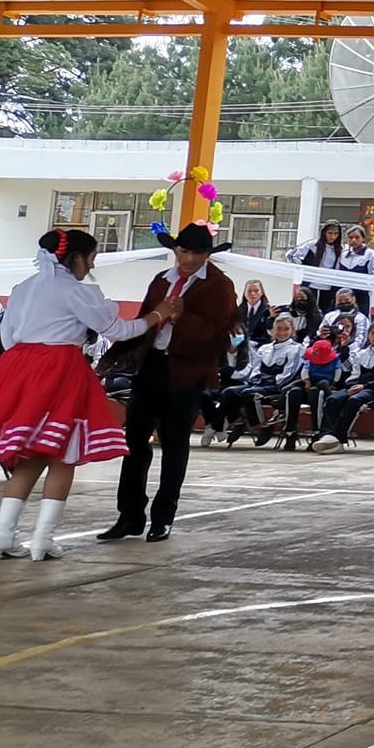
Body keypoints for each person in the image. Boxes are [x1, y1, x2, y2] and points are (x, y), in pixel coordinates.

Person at [0, 230, 163, 560]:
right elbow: (116, 330)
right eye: (91, 257)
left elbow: (8, 336)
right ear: (76, 257)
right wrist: (157, 316)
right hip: (61, 369)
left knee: (29, 457)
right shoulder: (74, 291)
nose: (93, 263)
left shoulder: (24, 288)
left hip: (19, 369)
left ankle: (3, 536)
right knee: (64, 455)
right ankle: (43, 540)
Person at [97, 224, 237, 543]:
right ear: (175, 250)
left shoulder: (220, 285)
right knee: (133, 442)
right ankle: (129, 515)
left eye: (196, 253)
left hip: (187, 372)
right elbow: (145, 320)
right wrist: (117, 354)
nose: (188, 258)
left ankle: (163, 517)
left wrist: (181, 318)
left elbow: (218, 335)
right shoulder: (162, 281)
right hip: (152, 366)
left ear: (207, 255)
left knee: (174, 444)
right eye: (183, 251)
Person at [310, 319, 374, 452]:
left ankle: (340, 439)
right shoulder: (361, 353)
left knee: (354, 401)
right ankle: (326, 435)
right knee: (334, 399)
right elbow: (354, 373)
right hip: (358, 387)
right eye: (373, 333)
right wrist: (350, 387)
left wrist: (364, 387)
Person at [218, 311, 302, 444]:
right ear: (273, 330)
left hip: (277, 385)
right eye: (278, 328)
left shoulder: (296, 349)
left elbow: (289, 372)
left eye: (286, 329)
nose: (282, 332)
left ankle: (262, 426)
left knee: (249, 394)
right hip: (260, 383)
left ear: (292, 331)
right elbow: (256, 369)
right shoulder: (264, 348)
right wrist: (255, 380)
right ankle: (238, 421)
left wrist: (272, 382)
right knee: (229, 392)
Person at [289, 220, 344, 327]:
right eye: (330, 233)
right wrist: (303, 268)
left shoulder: (341, 249)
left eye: (336, 234)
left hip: (328, 285)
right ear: (324, 233)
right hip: (310, 283)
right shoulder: (312, 245)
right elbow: (291, 255)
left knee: (325, 312)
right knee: (308, 310)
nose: (332, 236)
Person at [338, 225, 374, 315]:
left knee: (361, 317)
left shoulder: (370, 254)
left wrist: (365, 288)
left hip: (361, 294)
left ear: (363, 238)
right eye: (351, 237)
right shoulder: (343, 254)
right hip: (343, 295)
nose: (353, 240)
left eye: (357, 237)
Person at [237, 280, 274, 349]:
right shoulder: (238, 310)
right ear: (245, 293)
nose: (253, 293)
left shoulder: (269, 311)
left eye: (256, 291)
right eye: (249, 291)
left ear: (262, 292)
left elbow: (269, 334)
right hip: (240, 346)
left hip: (261, 347)